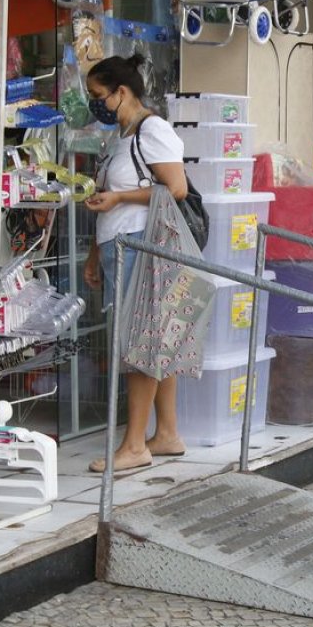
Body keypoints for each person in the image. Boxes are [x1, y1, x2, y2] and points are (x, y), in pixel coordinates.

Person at [84, 55, 188, 473]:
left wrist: (120, 198)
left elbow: (175, 188)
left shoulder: (152, 130)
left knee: (138, 344)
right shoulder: (123, 135)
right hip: (118, 245)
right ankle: (166, 434)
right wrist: (95, 252)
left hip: (141, 246)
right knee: (152, 339)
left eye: (97, 96)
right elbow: (108, 197)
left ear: (121, 92)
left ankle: (133, 446)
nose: (94, 103)